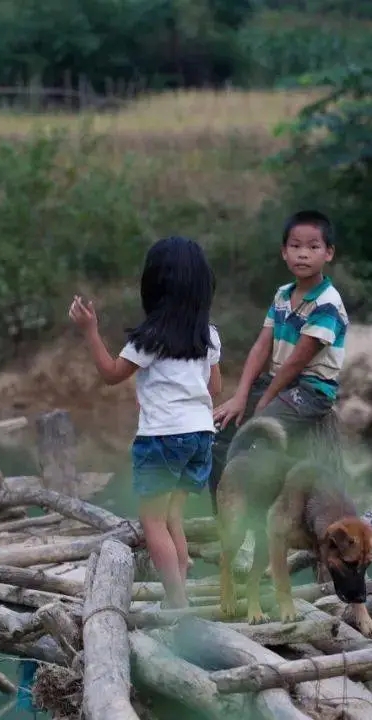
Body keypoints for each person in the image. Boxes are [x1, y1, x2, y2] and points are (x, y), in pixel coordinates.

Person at [68, 236, 221, 609]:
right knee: (173, 517)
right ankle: (181, 582)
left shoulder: (151, 336)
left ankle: (178, 604)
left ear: (153, 284)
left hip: (164, 436)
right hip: (201, 434)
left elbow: (110, 373)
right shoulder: (208, 333)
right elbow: (213, 387)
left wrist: (90, 331)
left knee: (152, 521)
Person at [211, 209, 349, 484]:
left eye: (313, 247)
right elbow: (262, 345)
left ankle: (272, 516)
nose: (303, 254)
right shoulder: (283, 295)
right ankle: (225, 521)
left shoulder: (327, 303)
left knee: (259, 437)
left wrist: (264, 401)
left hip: (310, 391)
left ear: (328, 253)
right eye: (295, 246)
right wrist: (241, 395)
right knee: (218, 435)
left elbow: (298, 360)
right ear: (284, 252)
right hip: (277, 383)